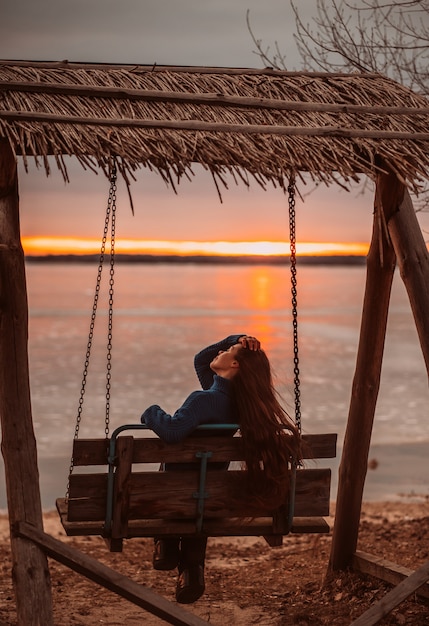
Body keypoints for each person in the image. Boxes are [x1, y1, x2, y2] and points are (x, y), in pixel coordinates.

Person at [141, 334, 301, 604]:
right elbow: (201, 361)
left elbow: (171, 430)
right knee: (201, 489)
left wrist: (150, 411)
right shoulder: (237, 405)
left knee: (172, 479)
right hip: (211, 500)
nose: (223, 350)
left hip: (173, 499)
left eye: (230, 350)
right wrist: (238, 339)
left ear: (236, 365)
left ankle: (166, 542)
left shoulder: (204, 401)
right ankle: (192, 569)